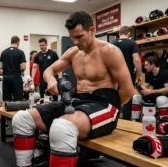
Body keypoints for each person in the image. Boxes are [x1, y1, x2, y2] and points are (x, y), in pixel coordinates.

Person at [12, 10, 134, 167]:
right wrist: (50, 80)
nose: (75, 41)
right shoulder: (73, 53)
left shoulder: (109, 52)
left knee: (62, 128)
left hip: (104, 104)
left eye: (79, 36)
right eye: (71, 37)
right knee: (22, 119)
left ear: (92, 30)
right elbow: (49, 71)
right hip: (78, 101)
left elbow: (128, 90)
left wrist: (112, 112)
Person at [112, 26, 142, 120]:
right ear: (129, 33)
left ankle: (113, 119)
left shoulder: (112, 44)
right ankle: (126, 120)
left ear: (119, 34)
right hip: (127, 74)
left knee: (114, 97)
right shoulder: (132, 43)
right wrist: (140, 75)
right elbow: (136, 60)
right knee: (128, 98)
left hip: (113, 75)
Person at [132, 56, 168, 121]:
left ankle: (164, 122)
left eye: (146, 65)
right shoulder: (148, 73)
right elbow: (146, 86)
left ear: (153, 64)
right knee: (135, 97)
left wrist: (151, 91)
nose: (145, 67)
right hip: (154, 95)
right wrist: (140, 87)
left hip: (164, 95)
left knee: (161, 100)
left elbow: (167, 89)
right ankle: (135, 120)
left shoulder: (164, 72)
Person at [0, 36, 26, 103]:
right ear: (18, 42)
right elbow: (23, 67)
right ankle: (16, 113)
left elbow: (1, 66)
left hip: (6, 78)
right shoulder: (20, 52)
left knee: (6, 99)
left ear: (11, 42)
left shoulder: (4, 52)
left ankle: (4, 114)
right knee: (18, 99)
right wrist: (20, 70)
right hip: (16, 77)